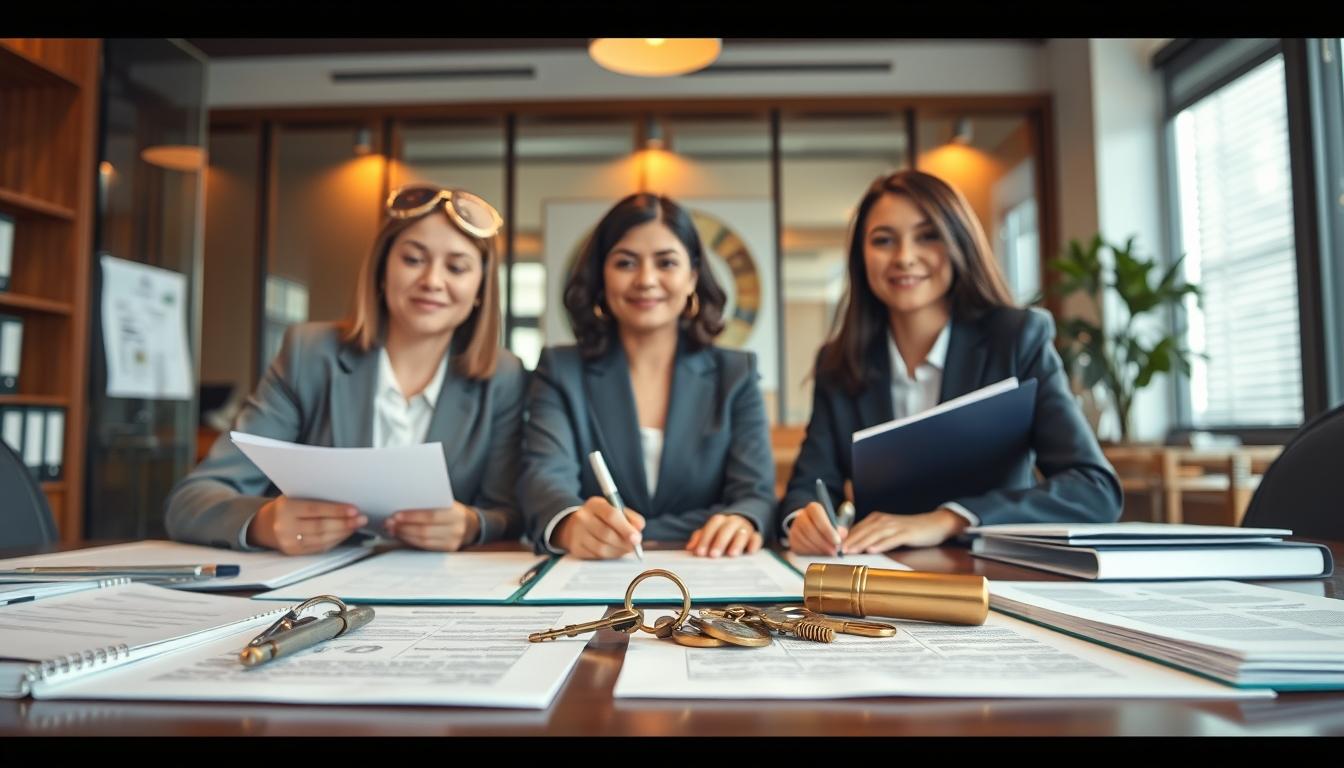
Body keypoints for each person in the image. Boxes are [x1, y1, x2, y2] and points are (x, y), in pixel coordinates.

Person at [166, 184, 526, 555]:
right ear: (382, 270)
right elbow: (191, 500)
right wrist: (264, 523)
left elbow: (511, 511)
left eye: (456, 267)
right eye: (413, 259)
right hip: (315, 589)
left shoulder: (503, 377)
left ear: (481, 287)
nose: (432, 281)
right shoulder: (309, 355)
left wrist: (470, 524)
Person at [780, 169, 1122, 555]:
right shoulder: (839, 363)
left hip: (994, 574)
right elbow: (809, 486)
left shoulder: (1016, 339)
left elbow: (1094, 489)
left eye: (928, 236)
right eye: (883, 240)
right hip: (878, 576)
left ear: (959, 243)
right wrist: (803, 521)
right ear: (861, 257)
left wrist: (948, 518)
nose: (905, 258)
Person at [521, 193, 776, 559]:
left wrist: (740, 519)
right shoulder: (561, 370)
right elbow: (544, 480)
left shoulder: (736, 374)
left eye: (666, 263)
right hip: (593, 574)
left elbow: (755, 494)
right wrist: (572, 524)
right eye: (625, 263)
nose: (646, 280)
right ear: (601, 277)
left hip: (708, 570)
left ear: (692, 277)